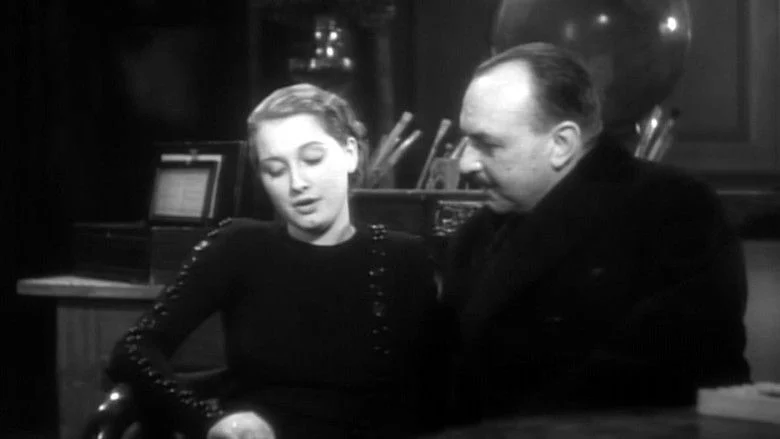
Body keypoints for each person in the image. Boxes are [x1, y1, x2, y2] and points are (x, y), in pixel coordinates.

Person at [107, 83, 449, 439]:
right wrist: (209, 421)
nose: (297, 183)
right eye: (275, 170)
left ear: (350, 154)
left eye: (312, 159)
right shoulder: (239, 246)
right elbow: (133, 351)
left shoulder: (403, 258)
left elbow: (429, 397)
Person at [442, 42, 751, 423]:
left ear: (561, 144)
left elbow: (662, 376)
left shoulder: (674, 210)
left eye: (487, 144)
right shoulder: (475, 237)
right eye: (467, 141)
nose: (465, 163)